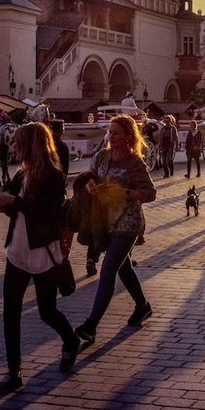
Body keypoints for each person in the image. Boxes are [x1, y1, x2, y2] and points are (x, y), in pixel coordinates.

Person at [0, 123, 77, 395]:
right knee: (10, 312)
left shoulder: (53, 175)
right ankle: (14, 373)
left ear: (31, 144)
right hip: (18, 249)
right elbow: (19, 211)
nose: (14, 147)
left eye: (18, 142)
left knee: (46, 310)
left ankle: (70, 339)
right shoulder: (22, 173)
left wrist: (13, 201)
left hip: (42, 251)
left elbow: (45, 212)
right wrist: (3, 204)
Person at [74, 114, 157, 344]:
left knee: (109, 268)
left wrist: (125, 193)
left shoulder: (134, 162)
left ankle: (91, 325)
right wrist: (90, 184)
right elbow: (89, 175)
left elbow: (150, 193)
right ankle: (143, 306)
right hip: (104, 220)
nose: (111, 136)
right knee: (124, 268)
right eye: (109, 132)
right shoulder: (102, 156)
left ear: (128, 136)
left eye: (116, 132)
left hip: (127, 222)